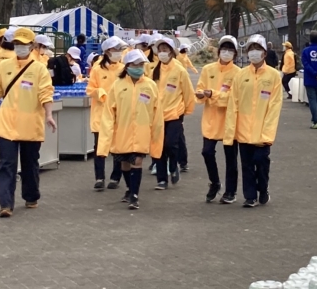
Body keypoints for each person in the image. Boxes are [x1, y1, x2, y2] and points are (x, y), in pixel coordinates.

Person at [0, 27, 56, 218]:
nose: (20, 48)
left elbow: (46, 93)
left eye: (24, 44)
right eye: (17, 44)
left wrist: (49, 115)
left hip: (31, 124)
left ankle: (31, 196)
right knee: (7, 164)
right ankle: (5, 204)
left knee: (30, 163)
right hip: (7, 124)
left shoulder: (39, 68)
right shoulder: (5, 66)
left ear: (32, 46)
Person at [97, 49, 164, 210]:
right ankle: (129, 188)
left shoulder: (150, 85)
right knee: (125, 164)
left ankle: (134, 195)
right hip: (122, 132)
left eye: (141, 64)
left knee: (138, 161)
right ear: (127, 66)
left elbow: (157, 112)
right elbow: (109, 112)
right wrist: (106, 136)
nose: (139, 67)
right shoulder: (117, 86)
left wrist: (156, 133)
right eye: (135, 64)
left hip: (141, 132)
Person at [224, 34, 283, 208]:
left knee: (261, 163)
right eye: (250, 49)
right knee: (247, 165)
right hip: (243, 131)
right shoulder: (241, 75)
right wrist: (231, 131)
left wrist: (267, 133)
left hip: (262, 132)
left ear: (264, 53)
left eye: (257, 49)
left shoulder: (273, 76)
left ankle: (263, 189)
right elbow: (233, 103)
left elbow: (274, 107)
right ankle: (250, 196)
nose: (253, 53)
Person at [196, 35, 241, 203]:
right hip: (211, 119)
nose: (226, 52)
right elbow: (200, 89)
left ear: (235, 53)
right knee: (207, 152)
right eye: (224, 49)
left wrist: (212, 94)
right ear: (218, 51)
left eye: (230, 50)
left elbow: (233, 97)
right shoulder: (208, 69)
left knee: (231, 157)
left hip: (230, 120)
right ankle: (214, 183)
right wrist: (201, 94)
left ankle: (231, 191)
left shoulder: (238, 73)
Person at [151, 36, 196, 190]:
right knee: (158, 147)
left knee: (171, 144)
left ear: (171, 51)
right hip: (156, 115)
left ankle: (174, 166)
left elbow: (188, 92)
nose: (163, 53)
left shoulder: (179, 70)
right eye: (160, 50)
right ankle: (162, 179)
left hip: (174, 113)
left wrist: (187, 110)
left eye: (166, 50)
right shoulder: (154, 70)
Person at [87, 36, 125, 191]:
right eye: (116, 49)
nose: (119, 52)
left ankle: (116, 177)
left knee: (117, 147)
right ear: (108, 51)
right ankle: (99, 177)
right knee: (99, 147)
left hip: (119, 114)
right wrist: (101, 93)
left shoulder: (124, 69)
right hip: (100, 114)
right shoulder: (97, 69)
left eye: (120, 49)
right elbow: (90, 89)